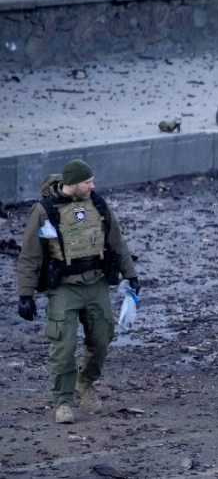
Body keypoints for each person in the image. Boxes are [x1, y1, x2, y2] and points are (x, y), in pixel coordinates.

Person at [15, 159, 139, 424]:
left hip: (96, 283)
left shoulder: (98, 204)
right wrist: (25, 294)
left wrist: (131, 274)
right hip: (64, 288)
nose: (93, 186)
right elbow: (30, 255)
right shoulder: (44, 210)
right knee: (64, 344)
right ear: (72, 184)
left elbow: (116, 241)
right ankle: (63, 401)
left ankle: (85, 383)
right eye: (87, 182)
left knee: (103, 336)